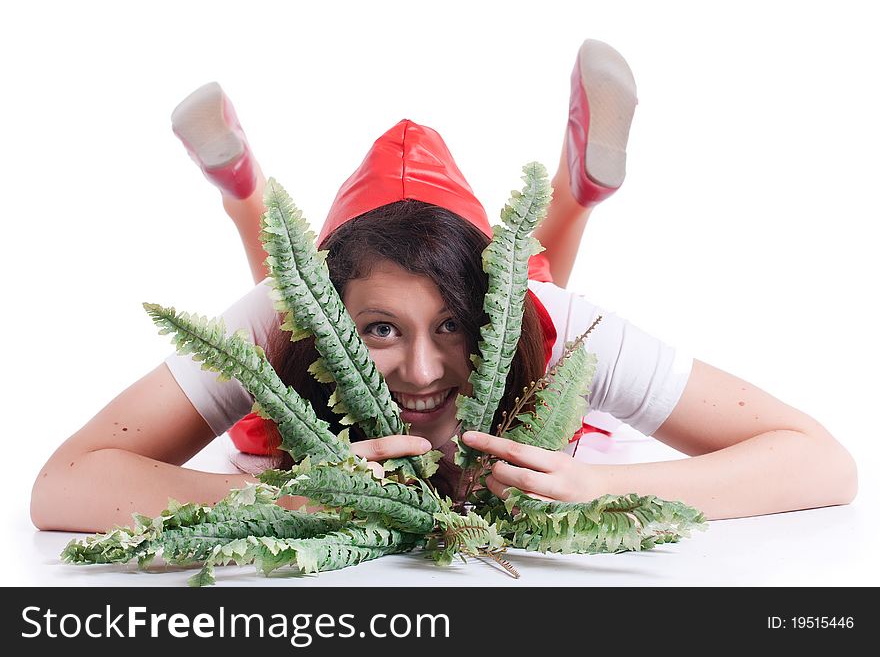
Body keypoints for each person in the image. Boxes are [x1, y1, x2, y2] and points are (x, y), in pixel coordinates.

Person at [30, 40, 857, 535]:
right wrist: (290, 501)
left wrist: (598, 485)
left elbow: (824, 463)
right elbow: (62, 483)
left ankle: (575, 192)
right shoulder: (284, 320)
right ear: (329, 312)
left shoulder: (551, 319)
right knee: (280, 331)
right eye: (380, 329)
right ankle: (247, 195)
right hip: (307, 330)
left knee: (531, 312)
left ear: (491, 306)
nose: (423, 370)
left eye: (456, 322)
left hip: (521, 297)